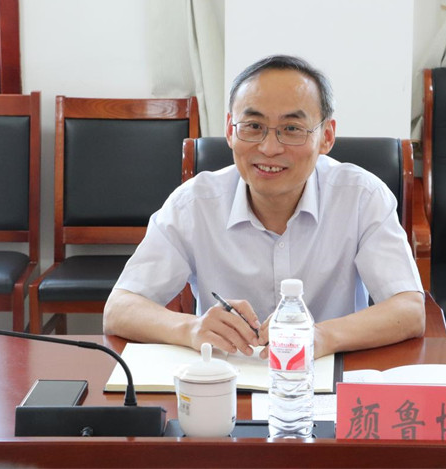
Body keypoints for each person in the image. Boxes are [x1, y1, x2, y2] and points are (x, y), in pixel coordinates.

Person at [103, 55, 425, 358]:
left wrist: (321, 336)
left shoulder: (361, 197)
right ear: (230, 130)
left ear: (326, 136)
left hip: (326, 379)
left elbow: (409, 309)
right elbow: (119, 309)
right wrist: (191, 328)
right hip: (223, 383)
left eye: (292, 129)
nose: (269, 148)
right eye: (254, 126)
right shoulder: (194, 204)